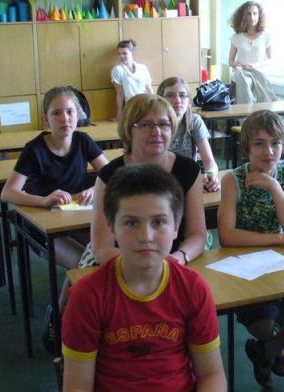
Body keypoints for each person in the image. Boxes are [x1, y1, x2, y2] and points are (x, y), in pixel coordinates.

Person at [62, 164, 227, 392]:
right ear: (112, 228)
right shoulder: (88, 296)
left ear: (176, 227)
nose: (146, 236)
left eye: (159, 222)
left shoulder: (192, 288)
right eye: (131, 223)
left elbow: (211, 374)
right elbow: (76, 390)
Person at [217, 109, 284, 388]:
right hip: (242, 265)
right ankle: (272, 345)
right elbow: (227, 236)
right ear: (246, 148)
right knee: (263, 325)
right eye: (259, 144)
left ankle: (266, 351)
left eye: (275, 143)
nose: (269, 151)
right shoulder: (233, 179)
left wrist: (275, 188)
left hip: (282, 262)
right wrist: (278, 239)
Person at [79, 94, 207, 269]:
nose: (157, 132)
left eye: (164, 124)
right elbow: (102, 248)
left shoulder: (189, 170)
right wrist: (150, 264)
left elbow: (197, 235)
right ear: (128, 129)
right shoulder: (109, 176)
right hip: (121, 262)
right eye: (146, 125)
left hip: (174, 261)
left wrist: (178, 258)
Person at [1, 86, 108, 268]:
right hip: (44, 225)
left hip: (77, 219)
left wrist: (93, 189)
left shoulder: (83, 140)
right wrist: (43, 200)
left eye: (70, 111)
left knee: (106, 255)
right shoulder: (34, 149)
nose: (65, 118)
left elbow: (112, 175)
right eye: (56, 113)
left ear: (78, 114)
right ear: (46, 119)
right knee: (87, 264)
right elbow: (7, 193)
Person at [157, 76, 220, 192]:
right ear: (160, 100)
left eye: (182, 95)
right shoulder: (155, 125)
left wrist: (211, 176)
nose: (177, 100)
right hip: (160, 184)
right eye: (170, 95)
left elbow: (210, 162)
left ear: (189, 100)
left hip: (187, 182)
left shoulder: (194, 121)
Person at [228, 1, 277, 104]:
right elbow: (231, 61)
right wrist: (239, 65)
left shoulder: (266, 36)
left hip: (260, 73)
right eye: (248, 14)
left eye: (255, 13)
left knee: (264, 100)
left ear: (259, 15)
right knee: (241, 78)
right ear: (243, 16)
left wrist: (254, 66)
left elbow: (271, 60)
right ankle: (244, 111)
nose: (252, 17)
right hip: (242, 74)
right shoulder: (236, 37)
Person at [111, 39, 154, 122]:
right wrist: (119, 114)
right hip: (131, 107)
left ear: (132, 54)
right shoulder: (117, 70)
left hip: (146, 104)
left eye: (124, 53)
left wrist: (154, 107)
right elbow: (120, 94)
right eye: (119, 54)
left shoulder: (142, 68)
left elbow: (149, 89)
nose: (121, 56)